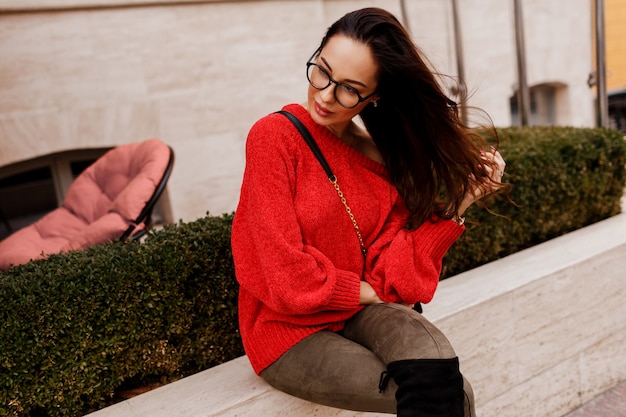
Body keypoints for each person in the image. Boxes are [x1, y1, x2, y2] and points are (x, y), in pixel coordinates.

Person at [231, 7, 507, 417]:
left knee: (445, 385)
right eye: (322, 72)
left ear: (374, 96)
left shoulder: (379, 159)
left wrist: (459, 205)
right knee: (447, 399)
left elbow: (395, 277)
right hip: (289, 332)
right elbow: (283, 275)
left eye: (349, 88)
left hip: (362, 313)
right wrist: (364, 291)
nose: (325, 95)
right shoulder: (274, 138)